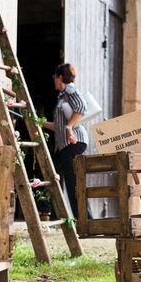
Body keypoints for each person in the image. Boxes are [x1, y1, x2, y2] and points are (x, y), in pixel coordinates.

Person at [42, 63, 87, 219]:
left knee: (72, 183)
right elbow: (58, 126)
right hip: (67, 145)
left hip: (74, 143)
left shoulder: (69, 89)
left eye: (55, 77)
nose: (54, 80)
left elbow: (81, 107)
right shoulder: (62, 95)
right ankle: (78, 217)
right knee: (59, 177)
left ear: (60, 77)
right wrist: (41, 123)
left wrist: (69, 127)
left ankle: (83, 219)